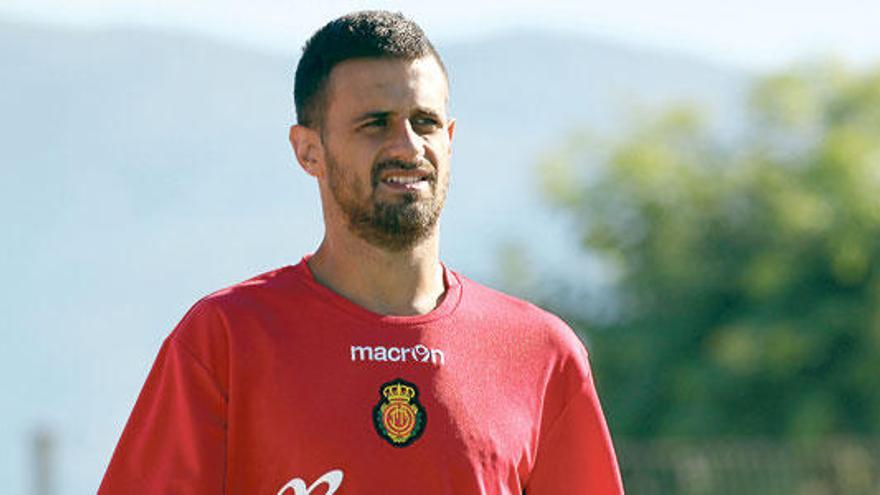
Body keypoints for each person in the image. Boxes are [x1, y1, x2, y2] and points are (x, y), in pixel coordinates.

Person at [99, 10, 623, 494]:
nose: (408, 146)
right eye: (375, 123)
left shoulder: (542, 353)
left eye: (425, 122)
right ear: (309, 150)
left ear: (451, 138)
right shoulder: (226, 339)